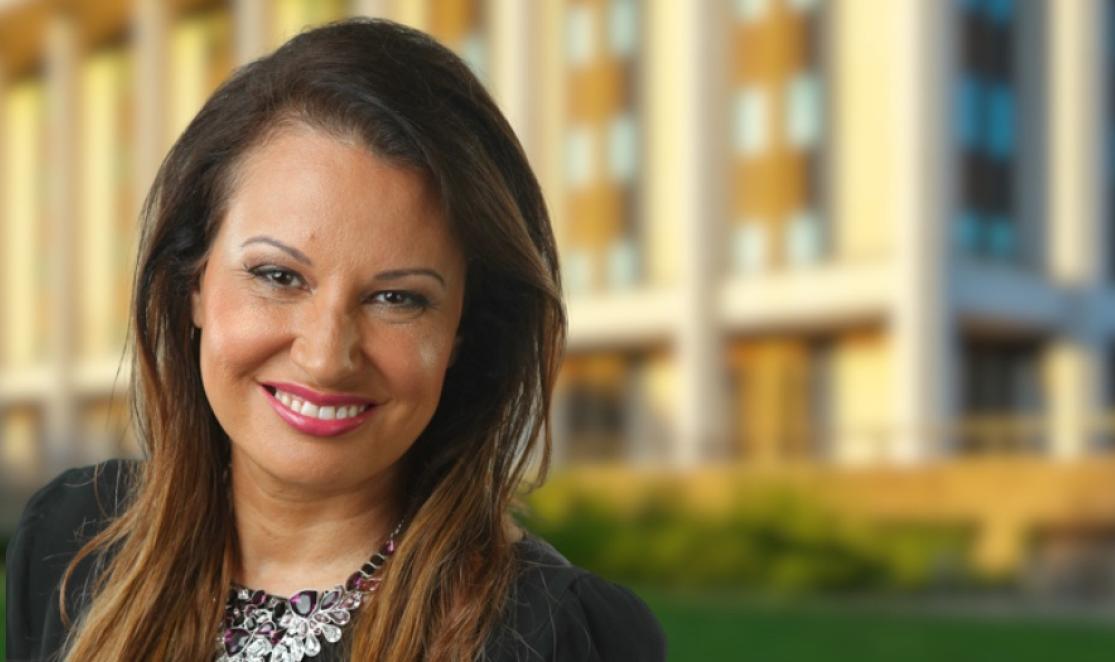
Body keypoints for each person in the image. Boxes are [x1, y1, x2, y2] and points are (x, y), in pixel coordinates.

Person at [6, 17, 665, 662]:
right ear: (193, 284)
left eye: (397, 298)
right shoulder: (70, 542)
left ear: (464, 329)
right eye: (277, 276)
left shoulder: (559, 637)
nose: (326, 357)